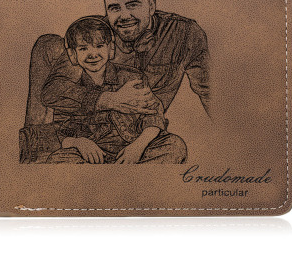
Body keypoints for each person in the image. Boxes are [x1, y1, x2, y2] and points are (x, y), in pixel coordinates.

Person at [39, 0, 210, 129]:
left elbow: (211, 94)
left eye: (133, 5)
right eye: (115, 8)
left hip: (144, 131)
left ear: (151, 6)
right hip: (90, 132)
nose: (125, 16)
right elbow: (52, 91)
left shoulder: (185, 33)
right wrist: (109, 100)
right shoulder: (94, 36)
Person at [44, 16, 187, 164]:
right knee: (56, 160)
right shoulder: (69, 91)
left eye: (99, 46)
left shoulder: (132, 77)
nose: (93, 54)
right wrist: (80, 143)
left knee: (175, 146)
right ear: (73, 55)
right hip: (94, 153)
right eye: (83, 48)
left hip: (134, 146)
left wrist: (138, 147)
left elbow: (153, 116)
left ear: (111, 49)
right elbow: (61, 130)